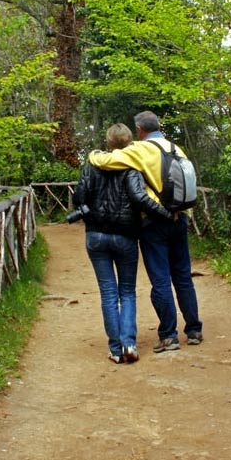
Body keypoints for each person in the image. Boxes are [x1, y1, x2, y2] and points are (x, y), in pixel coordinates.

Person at [88, 111, 203, 353]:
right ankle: (193, 329)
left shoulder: (141, 149)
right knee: (183, 275)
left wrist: (93, 153)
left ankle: (169, 335)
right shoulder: (175, 148)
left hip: (154, 222)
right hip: (180, 217)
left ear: (139, 130)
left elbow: (105, 161)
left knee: (160, 278)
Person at [73, 123, 173, 364]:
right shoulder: (131, 167)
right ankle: (129, 343)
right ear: (129, 142)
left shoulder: (92, 165)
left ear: (108, 142)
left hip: (96, 236)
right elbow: (140, 198)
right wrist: (167, 215)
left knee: (108, 293)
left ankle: (115, 349)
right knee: (127, 292)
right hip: (126, 236)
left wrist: (89, 213)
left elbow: (78, 197)